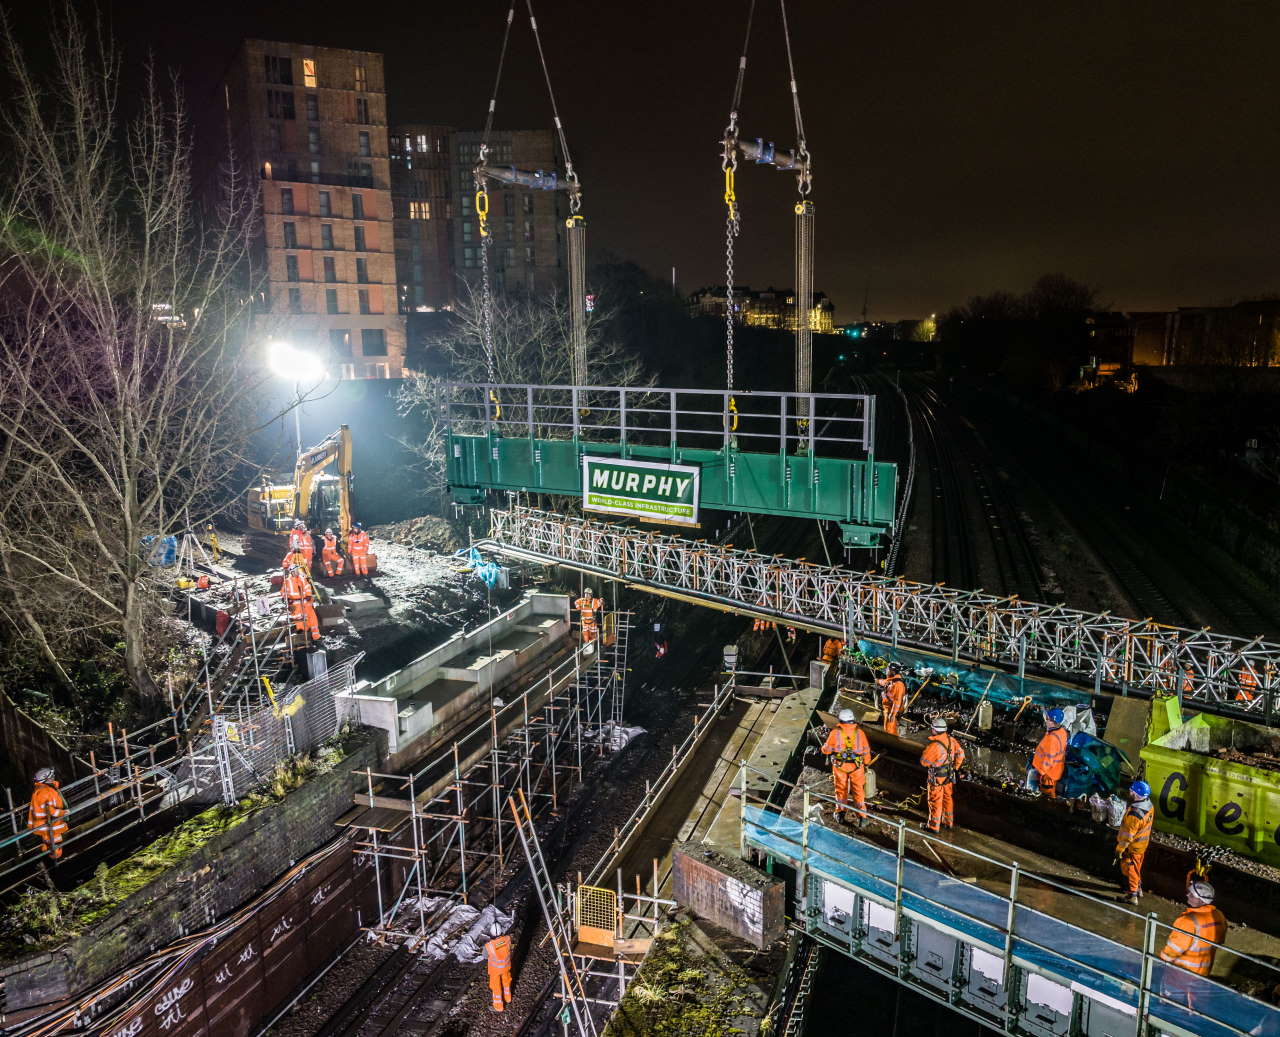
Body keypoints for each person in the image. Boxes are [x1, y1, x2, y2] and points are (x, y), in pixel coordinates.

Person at [1159, 880, 1227, 976]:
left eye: (1192, 894)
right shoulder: (1219, 915)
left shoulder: (1188, 921)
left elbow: (1172, 951)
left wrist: (1160, 963)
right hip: (1204, 972)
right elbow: (1220, 941)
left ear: (1201, 899)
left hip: (1180, 973)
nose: (1187, 895)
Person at [821, 708, 871, 826]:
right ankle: (862, 817)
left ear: (841, 720)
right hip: (857, 767)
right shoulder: (860, 733)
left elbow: (826, 750)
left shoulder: (835, 733)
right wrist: (867, 763)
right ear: (852, 720)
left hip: (840, 767)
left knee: (841, 790)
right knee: (858, 791)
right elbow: (866, 752)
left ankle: (840, 813)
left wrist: (824, 748)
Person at [919, 717, 965, 832]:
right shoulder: (951, 740)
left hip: (937, 778)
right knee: (947, 798)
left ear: (934, 730)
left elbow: (924, 762)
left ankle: (933, 826)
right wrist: (955, 767)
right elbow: (961, 754)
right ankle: (948, 822)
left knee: (935, 801)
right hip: (949, 775)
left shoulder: (934, 746)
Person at [1115, 780, 1153, 904]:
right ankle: (1138, 888)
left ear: (1137, 794)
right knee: (1136, 868)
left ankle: (1133, 895)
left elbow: (1127, 836)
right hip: (1142, 845)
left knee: (1129, 869)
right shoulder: (1148, 805)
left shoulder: (1134, 814)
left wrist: (1120, 849)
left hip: (1133, 847)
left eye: (1132, 791)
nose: (1130, 792)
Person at [28, 767, 68, 860]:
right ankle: (54, 853)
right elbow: (49, 809)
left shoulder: (42, 789)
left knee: (49, 841)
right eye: (51, 776)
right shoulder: (45, 792)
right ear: (46, 779)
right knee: (52, 841)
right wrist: (63, 813)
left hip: (46, 827)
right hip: (50, 827)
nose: (53, 778)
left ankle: (52, 852)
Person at [1030, 707, 1069, 798]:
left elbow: (1049, 759)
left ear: (1052, 722)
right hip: (1055, 770)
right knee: (1050, 792)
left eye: (1047, 719)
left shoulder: (1052, 739)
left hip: (1048, 774)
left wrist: (1041, 772)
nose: (1046, 721)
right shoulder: (1061, 731)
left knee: (1045, 794)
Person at [281, 564, 321, 642]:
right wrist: (285, 598)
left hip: (306, 603)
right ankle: (303, 634)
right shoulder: (287, 581)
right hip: (295, 605)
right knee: (299, 620)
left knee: (312, 618)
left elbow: (307, 587)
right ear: (292, 572)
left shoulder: (302, 578)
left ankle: (316, 636)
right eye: (295, 571)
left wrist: (309, 595)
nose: (297, 572)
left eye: (297, 570)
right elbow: (283, 591)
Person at [484, 923, 513, 1013]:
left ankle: (498, 1006)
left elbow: (484, 956)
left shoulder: (489, 945)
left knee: (496, 987)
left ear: (491, 933)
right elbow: (505, 946)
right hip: (506, 966)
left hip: (495, 970)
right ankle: (508, 998)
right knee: (506, 983)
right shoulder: (507, 939)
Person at [878, 663, 907, 736]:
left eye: (888, 669)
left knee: (890, 730)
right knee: (886, 728)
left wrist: (892, 714)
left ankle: (890, 742)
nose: (886, 670)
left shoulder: (898, 685)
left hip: (892, 711)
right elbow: (885, 682)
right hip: (887, 709)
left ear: (892, 671)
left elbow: (897, 701)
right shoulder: (891, 680)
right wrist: (878, 681)